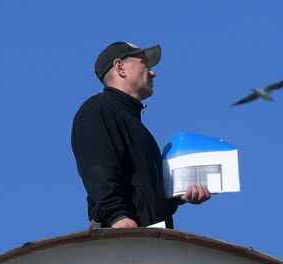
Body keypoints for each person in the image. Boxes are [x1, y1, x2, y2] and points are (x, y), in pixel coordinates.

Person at [71, 41, 211, 229]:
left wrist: (176, 196)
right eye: (144, 63)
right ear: (120, 67)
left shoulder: (137, 129)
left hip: (152, 244)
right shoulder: (98, 111)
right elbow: (99, 169)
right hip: (125, 244)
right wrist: (116, 217)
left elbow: (144, 198)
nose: (153, 72)